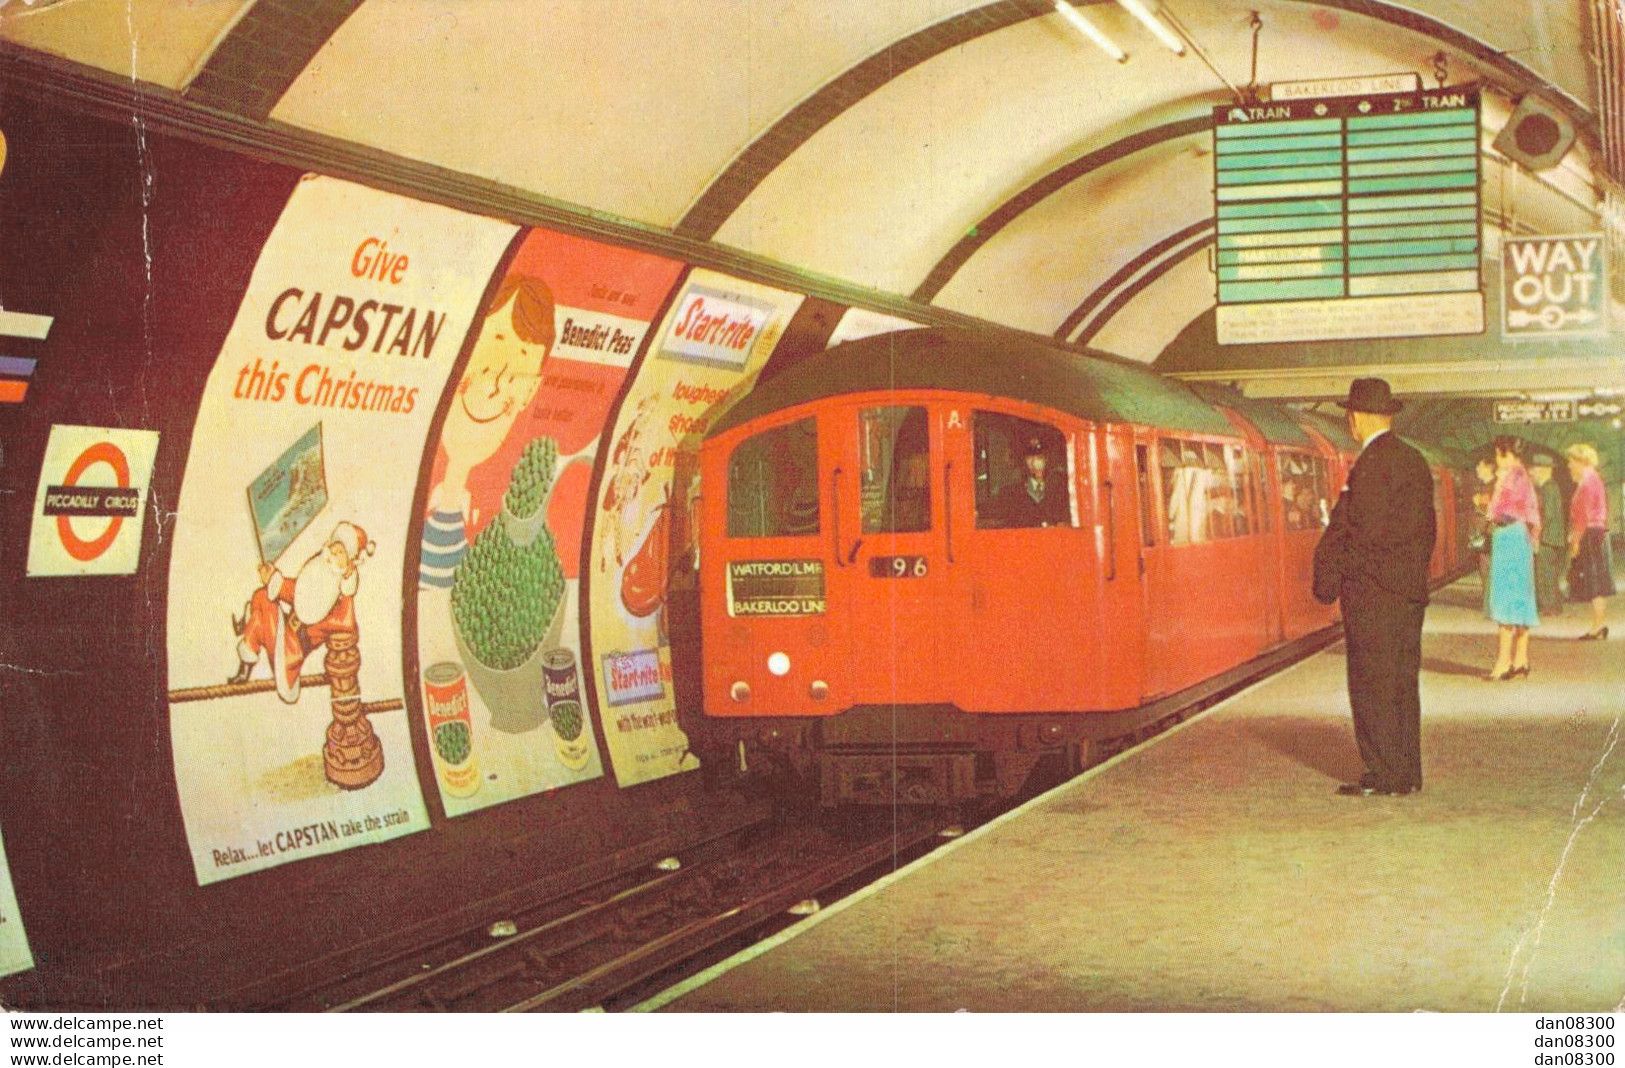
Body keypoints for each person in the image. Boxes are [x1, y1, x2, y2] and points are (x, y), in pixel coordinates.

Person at [1312, 378, 1435, 797]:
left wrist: (1339, 572)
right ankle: (1406, 773)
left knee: (1371, 684)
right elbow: (1425, 531)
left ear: (1355, 418)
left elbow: (1361, 533)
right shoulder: (1413, 460)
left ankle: (1383, 774)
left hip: (1373, 594)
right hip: (1407, 594)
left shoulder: (1370, 464)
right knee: (1402, 684)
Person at [420, 274, 554, 589]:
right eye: (496, 341)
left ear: (530, 392)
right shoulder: (415, 481)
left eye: (520, 364)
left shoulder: (493, 524)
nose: (493, 388)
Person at [230, 521, 376, 702]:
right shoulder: (319, 573)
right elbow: (296, 592)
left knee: (263, 611)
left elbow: (345, 624)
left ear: (348, 564)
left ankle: (246, 637)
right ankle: (244, 668)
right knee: (263, 597)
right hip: (284, 633)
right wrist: (273, 578)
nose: (332, 554)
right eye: (333, 548)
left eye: (340, 553)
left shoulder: (339, 599)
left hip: (292, 650)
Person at [1484, 437, 1540, 679]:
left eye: (1499, 455)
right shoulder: (1523, 477)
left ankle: (1503, 662)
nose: (1497, 460)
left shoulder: (1512, 478)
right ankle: (1521, 660)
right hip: (1520, 538)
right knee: (1520, 598)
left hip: (1509, 538)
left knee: (1506, 598)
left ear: (1507, 454)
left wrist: (1490, 509)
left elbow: (1504, 512)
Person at [1565, 442, 1614, 639]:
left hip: (1591, 533)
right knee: (1597, 581)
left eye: (1571, 461)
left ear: (1581, 461)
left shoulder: (1588, 482)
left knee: (1594, 580)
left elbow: (1583, 517)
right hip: (1597, 532)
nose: (1569, 465)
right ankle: (1598, 624)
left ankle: (1598, 626)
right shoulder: (1593, 480)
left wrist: (1575, 541)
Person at [992, 436, 1069, 528]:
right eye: (1029, 458)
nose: (1034, 463)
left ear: (1047, 460)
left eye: (1039, 458)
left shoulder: (1061, 490)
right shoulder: (1011, 492)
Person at [1530, 453, 1566, 617]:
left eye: (1535, 469)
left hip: (1548, 538)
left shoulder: (1548, 487)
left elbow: (1548, 514)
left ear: (1543, 470)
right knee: (1550, 573)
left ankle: (1549, 607)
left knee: (1545, 573)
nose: (1533, 473)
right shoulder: (1552, 486)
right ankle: (1554, 606)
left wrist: (1537, 534)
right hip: (1554, 538)